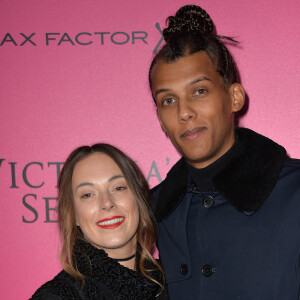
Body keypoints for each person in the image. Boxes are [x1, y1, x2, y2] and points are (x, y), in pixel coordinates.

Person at [149, 5, 300, 300]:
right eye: (168, 100)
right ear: (160, 120)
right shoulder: (151, 210)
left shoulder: (295, 191)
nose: (184, 112)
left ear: (234, 97)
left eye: (199, 91)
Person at [31, 143, 167, 299]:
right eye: (88, 194)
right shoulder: (55, 296)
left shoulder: (177, 281)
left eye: (118, 188)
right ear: (72, 214)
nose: (107, 203)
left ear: (139, 198)